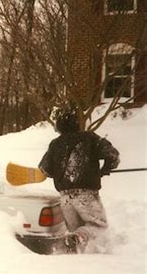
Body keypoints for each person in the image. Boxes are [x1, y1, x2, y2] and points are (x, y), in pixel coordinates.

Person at [38, 104, 120, 253]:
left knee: (75, 235)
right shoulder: (89, 138)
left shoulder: (55, 144)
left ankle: (77, 259)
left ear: (59, 126)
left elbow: (44, 169)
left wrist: (58, 171)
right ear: (76, 124)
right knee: (97, 226)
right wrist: (105, 168)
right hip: (86, 195)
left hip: (65, 199)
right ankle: (78, 239)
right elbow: (113, 155)